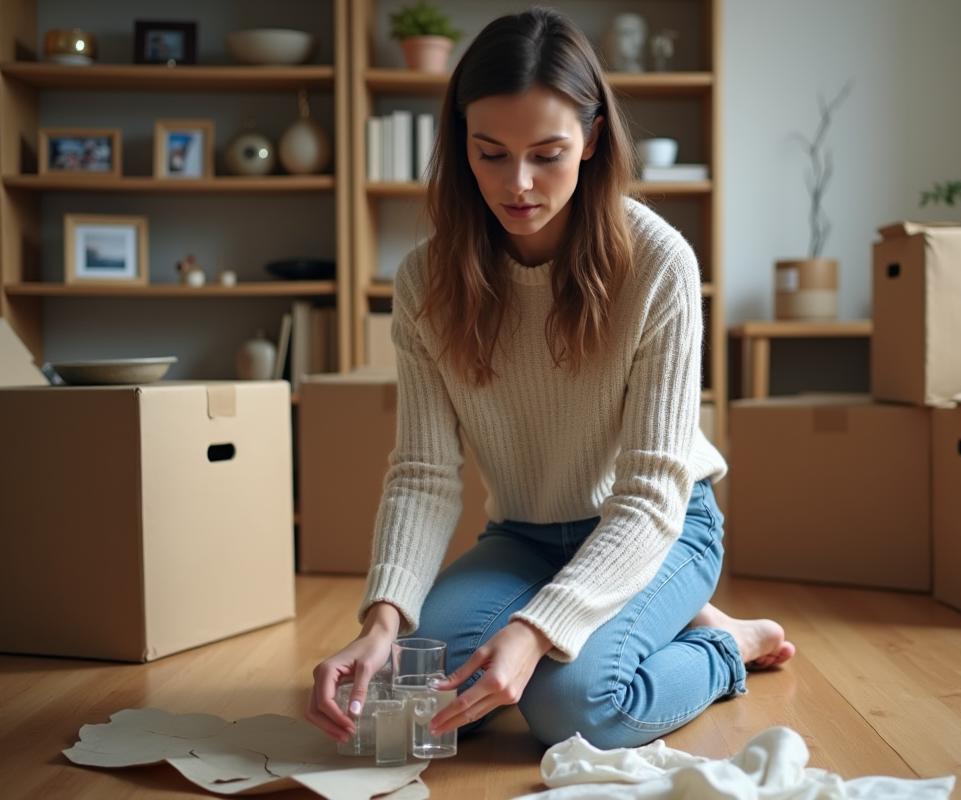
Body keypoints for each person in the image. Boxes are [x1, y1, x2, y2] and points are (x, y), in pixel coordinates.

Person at [306, 6, 794, 751]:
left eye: (548, 152)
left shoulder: (660, 263)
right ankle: (648, 616)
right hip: (524, 534)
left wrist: (536, 631)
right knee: (424, 690)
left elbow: (651, 491)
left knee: (574, 709)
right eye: (491, 153)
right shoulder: (424, 282)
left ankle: (728, 644)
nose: (519, 184)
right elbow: (423, 472)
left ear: (594, 138)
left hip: (662, 527)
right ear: (459, 144)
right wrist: (381, 624)